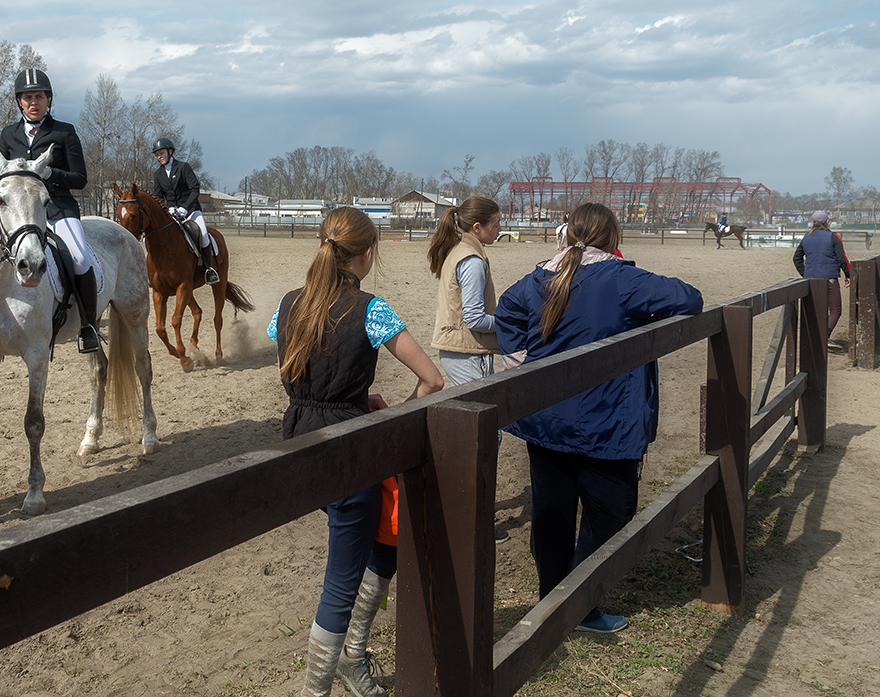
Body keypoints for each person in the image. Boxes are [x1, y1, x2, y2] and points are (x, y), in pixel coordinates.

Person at [495, 202, 702, 633]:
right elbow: (689, 298)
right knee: (613, 511)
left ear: (568, 234)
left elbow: (509, 309)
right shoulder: (622, 279)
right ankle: (577, 605)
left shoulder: (541, 277)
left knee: (552, 512)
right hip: (603, 422)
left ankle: (556, 600)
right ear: (613, 238)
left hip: (547, 420)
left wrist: (524, 366)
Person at [268, 206, 443, 697]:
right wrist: (390, 416)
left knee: (383, 545)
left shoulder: (286, 303)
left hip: (299, 437)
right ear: (366, 254)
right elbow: (431, 379)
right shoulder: (371, 308)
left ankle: (351, 658)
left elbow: (291, 366)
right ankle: (315, 691)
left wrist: (344, 398)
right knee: (341, 583)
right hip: (348, 451)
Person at [0, 68, 99, 353]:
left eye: (39, 97)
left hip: (56, 208)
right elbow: (3, 177)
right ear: (20, 101)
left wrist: (50, 173)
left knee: (81, 257)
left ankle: (88, 325)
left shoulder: (65, 132)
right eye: (28, 97)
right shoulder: (8, 135)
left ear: (48, 100)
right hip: (18, 214)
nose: (34, 102)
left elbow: (80, 179)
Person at [426, 194, 510, 544]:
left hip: (461, 351)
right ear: (478, 227)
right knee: (484, 435)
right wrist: (510, 323)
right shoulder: (472, 259)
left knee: (481, 433)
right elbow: (475, 317)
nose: (501, 228)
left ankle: (468, 514)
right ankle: (472, 519)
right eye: (496, 223)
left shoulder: (459, 250)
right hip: (467, 353)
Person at [151, 137, 219, 284]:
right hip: (171, 214)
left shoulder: (183, 167)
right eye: (157, 155)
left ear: (170, 151)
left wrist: (184, 208)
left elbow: (195, 189)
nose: (159, 157)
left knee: (203, 233)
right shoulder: (158, 175)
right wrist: (166, 208)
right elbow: (157, 197)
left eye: (161, 153)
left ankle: (209, 269)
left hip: (191, 211)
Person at [794, 210, 851, 352]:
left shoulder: (806, 237)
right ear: (827, 222)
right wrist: (848, 275)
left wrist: (805, 273)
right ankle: (825, 336)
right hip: (829, 279)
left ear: (813, 222)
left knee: (816, 310)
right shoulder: (833, 237)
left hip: (811, 279)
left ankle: (816, 339)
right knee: (836, 310)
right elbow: (842, 258)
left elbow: (796, 258)